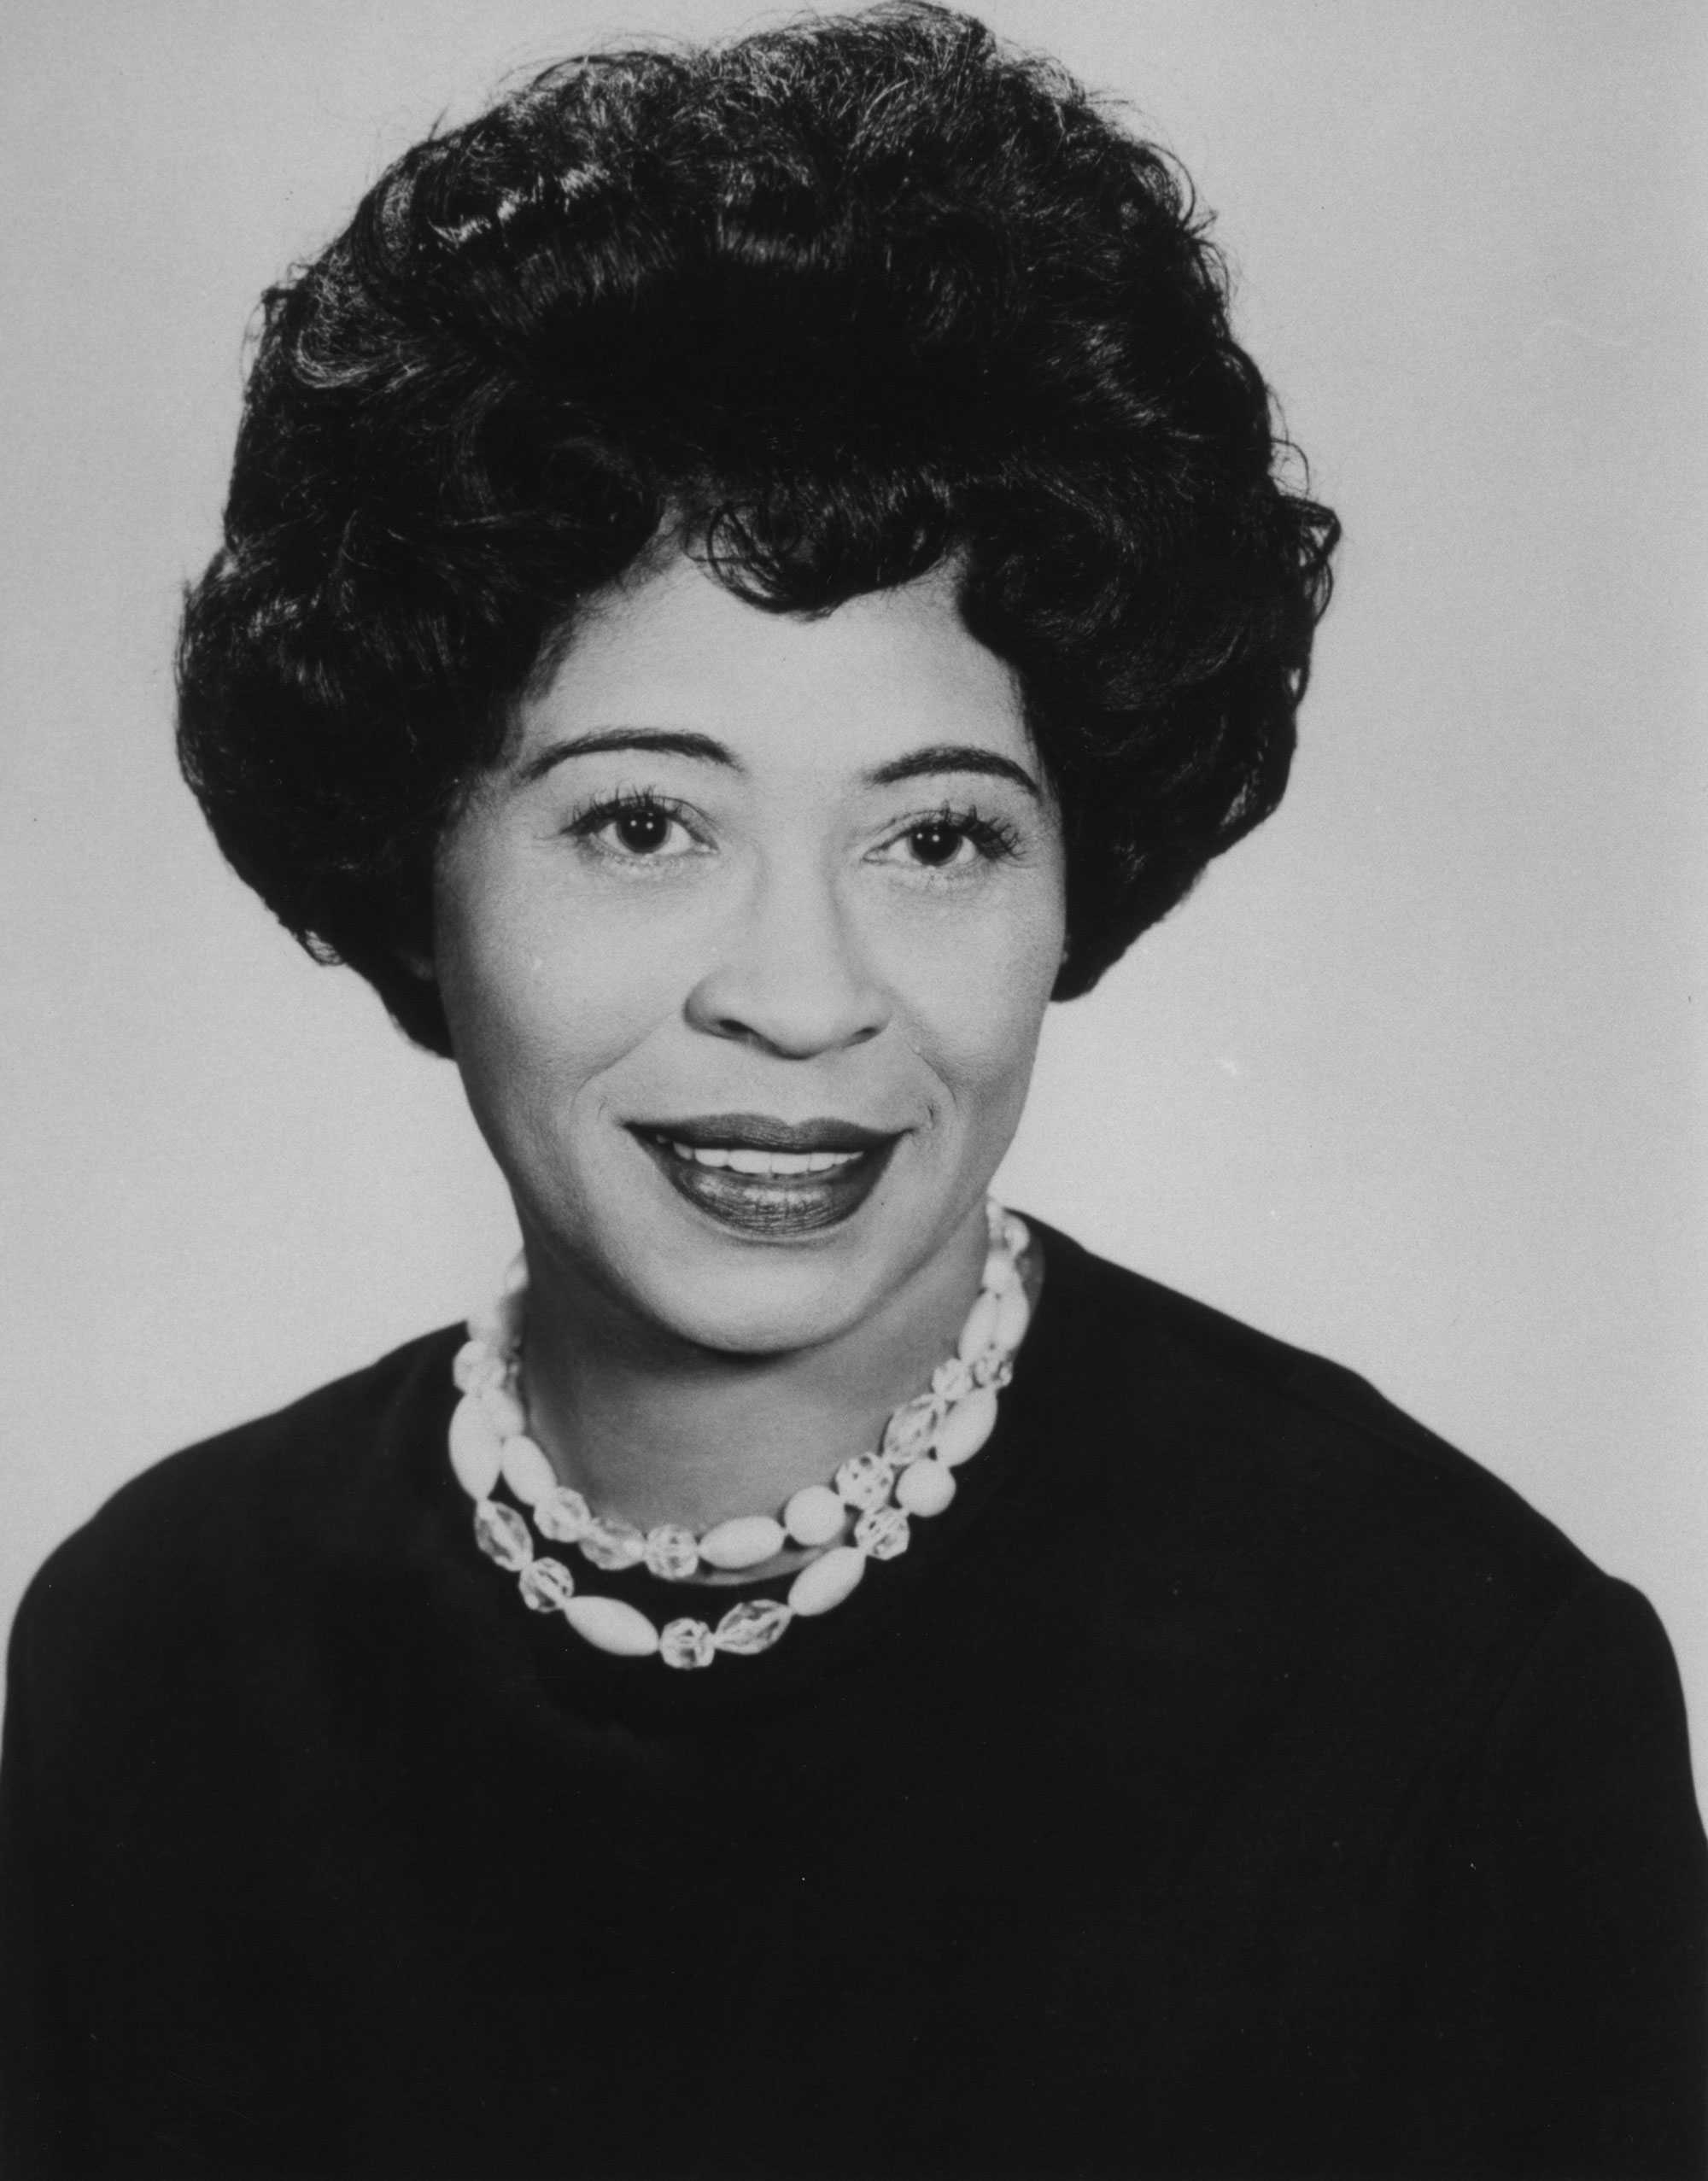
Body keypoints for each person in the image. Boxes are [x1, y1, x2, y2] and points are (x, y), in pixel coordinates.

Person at [1, 4, 1701, 2175]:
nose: (802, 997)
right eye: (639, 823)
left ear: (1082, 860)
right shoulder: (142, 1662)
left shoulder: (1461, 1701)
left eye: (939, 834)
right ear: (412, 845)